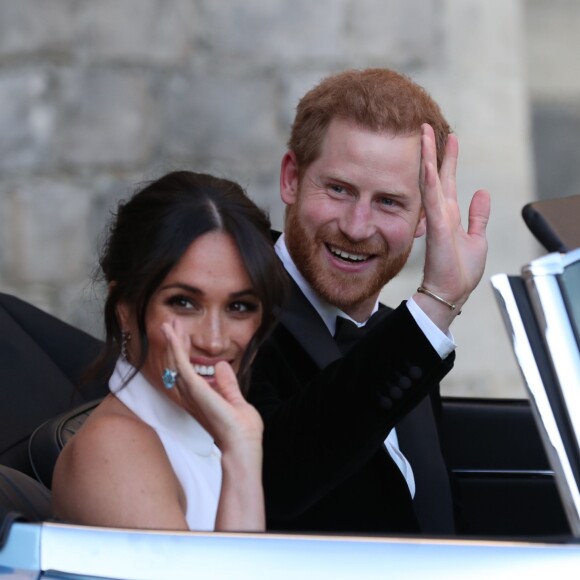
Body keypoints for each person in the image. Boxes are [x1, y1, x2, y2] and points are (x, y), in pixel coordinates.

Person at [247, 68, 491, 535]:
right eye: (339, 190)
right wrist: (437, 304)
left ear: (424, 218)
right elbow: (276, 481)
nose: (358, 227)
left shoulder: (400, 334)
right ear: (292, 179)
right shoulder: (234, 312)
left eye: (389, 203)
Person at [51, 171, 288, 532]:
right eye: (183, 303)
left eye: (239, 307)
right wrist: (241, 455)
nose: (213, 340)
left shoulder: (203, 435)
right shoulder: (114, 448)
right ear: (125, 310)